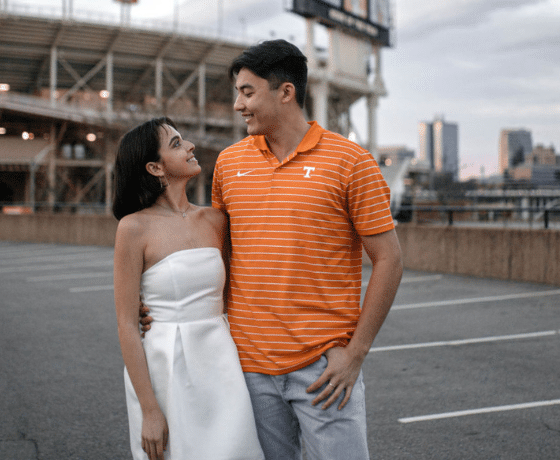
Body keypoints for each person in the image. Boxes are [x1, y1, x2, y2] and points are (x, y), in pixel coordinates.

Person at [209, 39, 403, 460]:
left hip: (324, 368)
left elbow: (389, 260)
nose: (238, 105)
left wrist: (356, 353)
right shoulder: (228, 164)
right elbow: (216, 254)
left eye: (247, 93)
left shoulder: (351, 161)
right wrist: (159, 306)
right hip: (247, 367)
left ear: (285, 92)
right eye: (237, 93)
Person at [112, 117, 264, 460]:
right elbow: (126, 324)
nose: (191, 146)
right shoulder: (133, 228)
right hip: (163, 368)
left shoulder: (216, 220)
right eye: (177, 143)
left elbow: (236, 292)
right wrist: (150, 410)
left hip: (220, 361)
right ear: (155, 167)